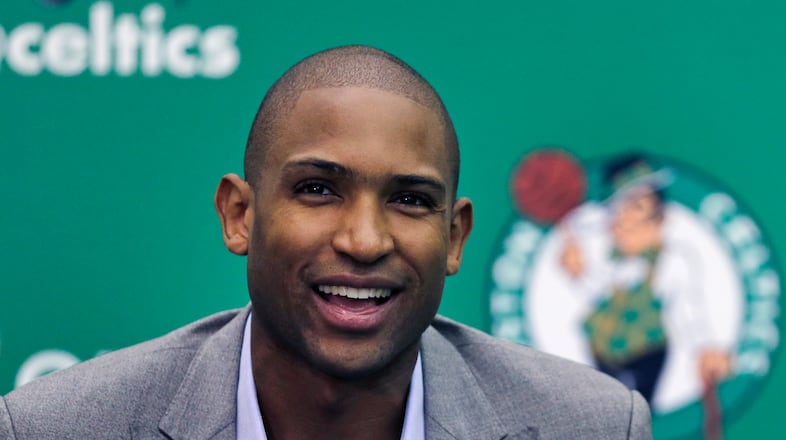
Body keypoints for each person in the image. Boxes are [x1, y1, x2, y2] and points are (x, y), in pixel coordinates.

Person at [0, 46, 651, 439]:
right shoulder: (55, 428)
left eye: (409, 200)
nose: (364, 240)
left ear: (454, 238)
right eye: (317, 190)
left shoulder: (591, 426)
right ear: (238, 215)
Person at [560, 155, 732, 407]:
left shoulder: (674, 261)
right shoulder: (609, 259)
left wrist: (705, 348)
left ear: (660, 218)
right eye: (620, 212)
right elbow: (598, 292)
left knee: (638, 413)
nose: (625, 221)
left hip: (646, 352)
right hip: (602, 351)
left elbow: (689, 308)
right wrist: (578, 273)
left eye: (638, 209)